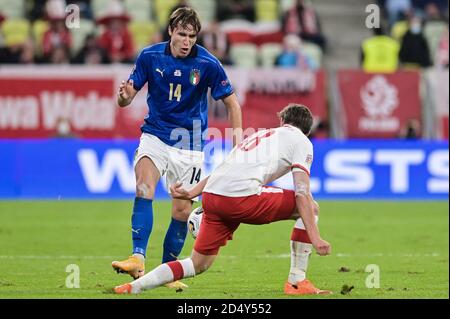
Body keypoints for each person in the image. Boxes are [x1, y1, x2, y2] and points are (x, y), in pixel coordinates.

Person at [114, 103, 331, 295]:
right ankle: (297, 281)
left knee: (197, 264)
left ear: (283, 121)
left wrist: (192, 193)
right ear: (307, 130)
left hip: (212, 197)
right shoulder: (302, 141)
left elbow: (223, 170)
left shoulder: (259, 136)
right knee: (310, 207)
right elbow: (302, 191)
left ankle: (134, 287)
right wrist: (315, 236)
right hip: (239, 198)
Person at [112, 7, 242, 290]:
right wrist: (123, 98)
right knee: (143, 188)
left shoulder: (207, 63)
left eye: (192, 36)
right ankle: (137, 256)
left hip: (190, 144)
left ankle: (168, 271)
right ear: (171, 31)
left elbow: (232, 103)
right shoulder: (150, 56)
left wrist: (237, 145)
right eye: (181, 34)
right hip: (155, 136)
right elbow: (128, 97)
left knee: (181, 213)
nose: (186, 41)